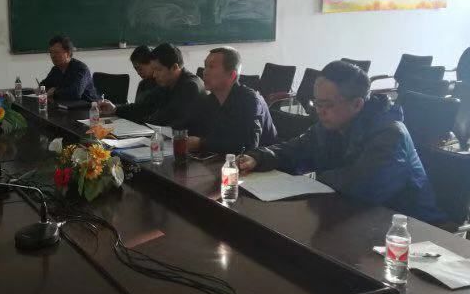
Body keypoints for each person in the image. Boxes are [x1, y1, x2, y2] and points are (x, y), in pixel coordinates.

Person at [237, 61, 446, 223]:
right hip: (354, 218)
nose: (319, 111)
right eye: (316, 103)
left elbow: (364, 187)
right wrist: (258, 157)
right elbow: (296, 149)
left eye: (326, 104)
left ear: (357, 104)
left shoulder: (390, 134)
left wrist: (312, 177)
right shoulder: (331, 125)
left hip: (408, 228)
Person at [187, 47, 277, 154]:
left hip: (260, 160)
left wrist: (201, 143)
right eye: (205, 66)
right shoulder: (210, 100)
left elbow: (245, 146)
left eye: (211, 67)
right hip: (220, 158)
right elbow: (197, 131)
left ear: (232, 75)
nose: (205, 72)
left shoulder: (250, 101)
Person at [101, 43, 203, 128]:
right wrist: (115, 109)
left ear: (174, 67)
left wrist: (144, 125)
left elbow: (171, 119)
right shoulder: (168, 82)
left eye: (158, 70)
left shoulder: (190, 86)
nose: (154, 75)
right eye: (153, 70)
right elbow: (144, 107)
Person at [99, 45, 165, 118]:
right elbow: (137, 108)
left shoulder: (162, 83)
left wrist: (116, 109)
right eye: (136, 69)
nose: (138, 72)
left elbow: (145, 110)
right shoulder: (142, 84)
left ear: (151, 63)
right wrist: (115, 108)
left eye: (140, 68)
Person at [40, 35, 98, 101]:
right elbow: (44, 84)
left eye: (56, 52)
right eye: (51, 52)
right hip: (66, 104)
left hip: (87, 105)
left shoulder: (81, 69)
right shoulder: (56, 69)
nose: (53, 56)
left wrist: (54, 92)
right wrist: (41, 89)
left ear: (68, 53)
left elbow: (75, 93)